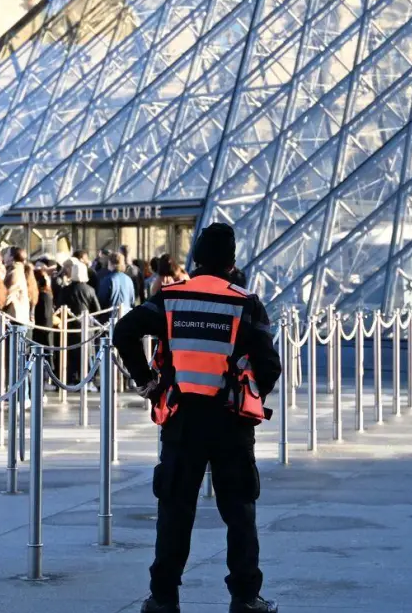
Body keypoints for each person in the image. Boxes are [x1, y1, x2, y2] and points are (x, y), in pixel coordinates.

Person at [113, 223, 281, 613]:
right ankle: (245, 597)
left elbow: (124, 332)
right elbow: (270, 366)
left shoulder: (170, 297)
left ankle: (163, 596)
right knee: (239, 512)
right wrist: (249, 393)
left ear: (197, 258)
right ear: (232, 261)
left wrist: (149, 383)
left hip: (181, 419)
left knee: (174, 510)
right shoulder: (245, 302)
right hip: (230, 420)